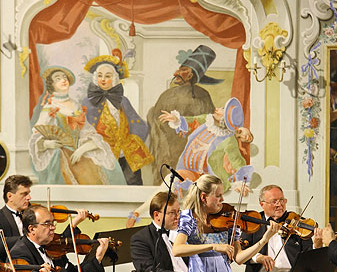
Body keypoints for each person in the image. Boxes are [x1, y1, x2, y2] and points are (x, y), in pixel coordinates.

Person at [29, 66, 123, 185]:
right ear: (51, 85)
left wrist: (84, 147)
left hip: (79, 151)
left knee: (105, 169)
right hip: (61, 155)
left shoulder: (76, 105)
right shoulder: (49, 108)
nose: (63, 80)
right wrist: (47, 143)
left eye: (65, 78)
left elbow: (88, 131)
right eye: (58, 79)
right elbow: (36, 137)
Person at [147, 45, 222, 185]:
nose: (176, 73)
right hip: (168, 149)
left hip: (194, 149)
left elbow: (208, 123)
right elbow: (156, 120)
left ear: (192, 74)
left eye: (183, 70)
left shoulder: (203, 95)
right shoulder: (167, 95)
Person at [83, 50, 153, 185]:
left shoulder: (123, 101)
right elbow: (83, 129)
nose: (103, 79)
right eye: (100, 76)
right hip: (102, 154)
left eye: (107, 76)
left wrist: (131, 142)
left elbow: (137, 124)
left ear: (114, 79)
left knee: (132, 182)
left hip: (125, 152)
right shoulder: (88, 102)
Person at [159, 97, 254, 192]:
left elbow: (237, 161)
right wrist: (176, 119)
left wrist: (241, 182)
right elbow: (192, 121)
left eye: (222, 111)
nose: (217, 109)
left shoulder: (228, 139)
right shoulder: (207, 120)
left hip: (209, 181)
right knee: (172, 179)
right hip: (189, 172)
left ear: (225, 120)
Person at [0, 174, 91, 262]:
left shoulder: (34, 214)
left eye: (29, 193)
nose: (29, 197)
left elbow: (56, 242)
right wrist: (27, 239)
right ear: (10, 196)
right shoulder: (1, 218)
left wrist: (74, 223)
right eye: (24, 194)